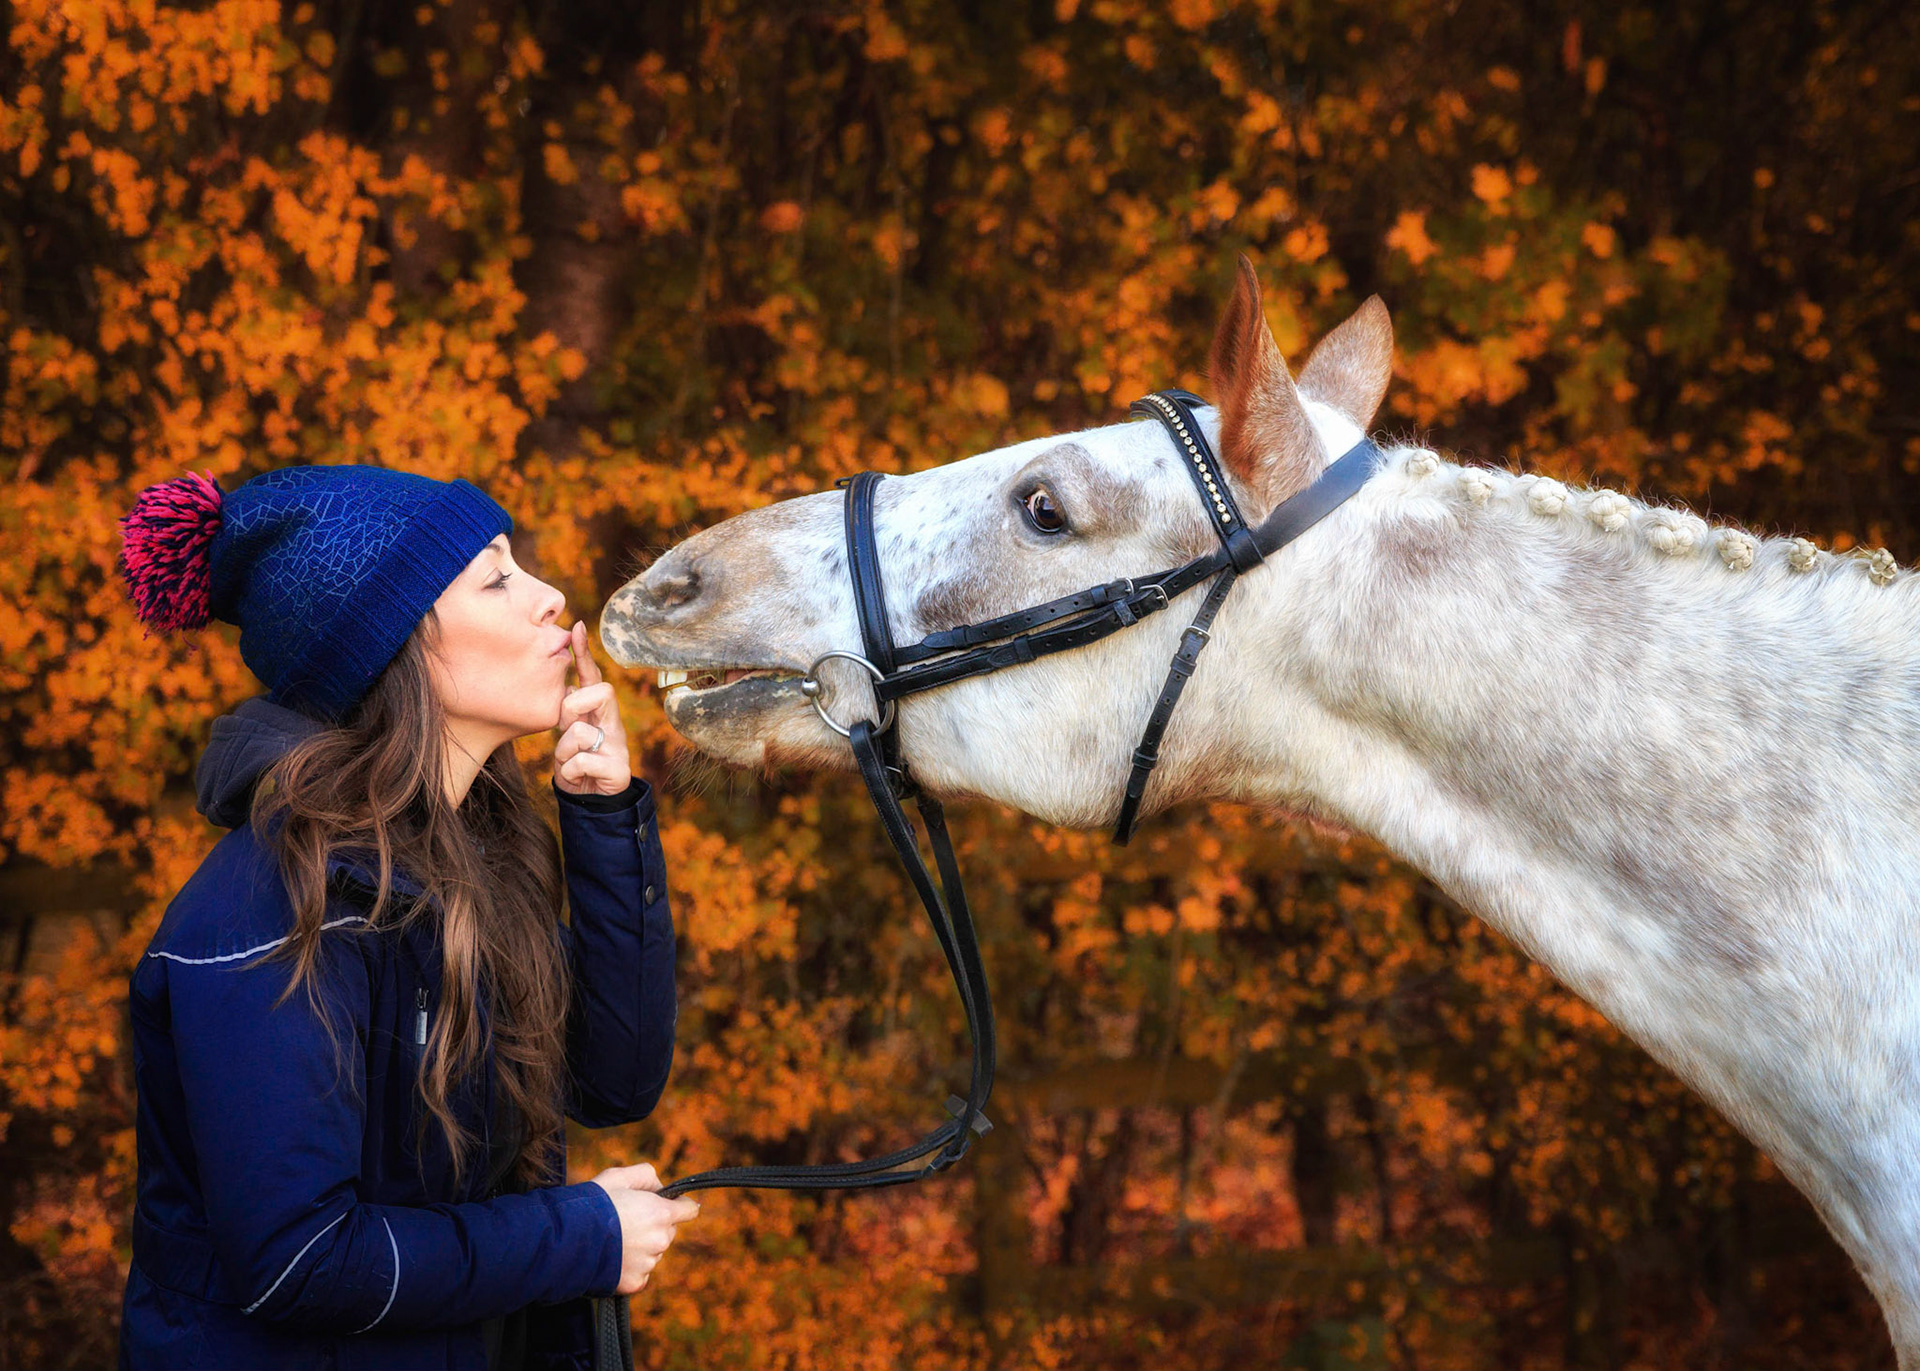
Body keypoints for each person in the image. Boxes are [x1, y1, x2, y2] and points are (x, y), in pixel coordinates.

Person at [114, 465, 696, 1370]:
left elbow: (613, 1080)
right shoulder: (277, 907)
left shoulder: (469, 864)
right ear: (391, 644)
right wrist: (579, 1236)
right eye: (496, 577)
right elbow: (298, 1262)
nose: (551, 599)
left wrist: (604, 818)